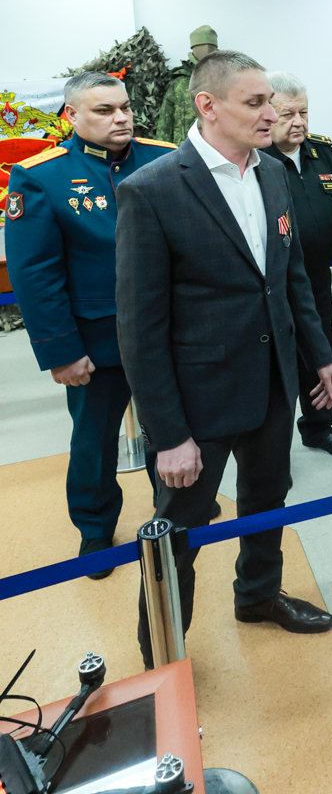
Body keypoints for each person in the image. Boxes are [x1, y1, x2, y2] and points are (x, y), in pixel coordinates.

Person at [115, 50, 332, 668]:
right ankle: (162, 656)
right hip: (198, 401)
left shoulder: (272, 174)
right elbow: (139, 328)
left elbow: (290, 277)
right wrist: (168, 436)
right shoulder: (152, 191)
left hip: (272, 383)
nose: (271, 113)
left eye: (271, 101)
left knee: (268, 498)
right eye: (255, 102)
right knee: (178, 532)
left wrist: (318, 355)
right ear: (208, 106)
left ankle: (259, 595)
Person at [5, 72, 176, 579]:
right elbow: (35, 273)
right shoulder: (42, 176)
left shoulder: (165, 158)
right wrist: (61, 350)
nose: (121, 118)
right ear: (72, 115)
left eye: (124, 107)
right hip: (98, 340)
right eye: (104, 110)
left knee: (172, 425)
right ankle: (95, 526)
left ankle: (174, 507)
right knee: (95, 441)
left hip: (170, 329)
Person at [261, 72, 332, 459]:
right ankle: (273, 450)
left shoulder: (321, 151)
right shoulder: (258, 159)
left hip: (318, 277)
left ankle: (319, 427)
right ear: (269, 114)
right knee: (278, 366)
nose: (298, 122)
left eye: (303, 113)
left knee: (320, 354)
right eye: (288, 114)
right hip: (274, 284)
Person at [155, 25, 218, 146]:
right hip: (184, 150)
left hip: (218, 149)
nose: (206, 51)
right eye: (202, 47)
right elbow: (165, 125)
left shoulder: (225, 80)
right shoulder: (178, 83)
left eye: (210, 47)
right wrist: (163, 151)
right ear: (194, 49)